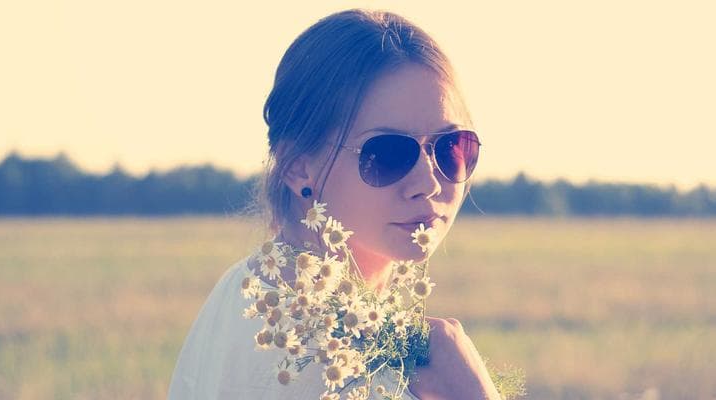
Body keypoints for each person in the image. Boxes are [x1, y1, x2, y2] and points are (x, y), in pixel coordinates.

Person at [168, 8, 501, 399]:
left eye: (450, 147)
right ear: (298, 167)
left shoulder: (245, 290)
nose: (428, 183)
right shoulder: (326, 361)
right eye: (387, 154)